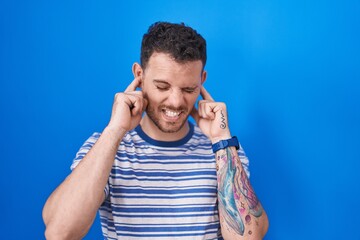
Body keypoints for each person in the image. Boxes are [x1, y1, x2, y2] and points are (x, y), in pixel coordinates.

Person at [42, 21, 268, 240]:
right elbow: (60, 233)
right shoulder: (104, 147)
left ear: (202, 80)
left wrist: (221, 140)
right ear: (139, 75)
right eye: (162, 86)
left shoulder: (224, 151)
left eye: (189, 88)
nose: (176, 102)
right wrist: (115, 130)